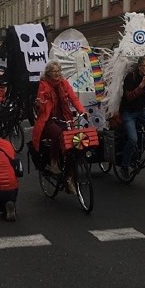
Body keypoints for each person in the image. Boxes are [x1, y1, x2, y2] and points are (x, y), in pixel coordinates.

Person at [32, 60, 85, 194]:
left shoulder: (64, 83)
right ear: (48, 73)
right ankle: (54, 162)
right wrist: (39, 104)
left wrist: (82, 111)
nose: (57, 74)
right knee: (58, 134)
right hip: (49, 119)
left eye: (58, 71)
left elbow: (73, 98)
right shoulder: (43, 85)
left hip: (65, 118)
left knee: (74, 144)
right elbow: (41, 103)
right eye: (54, 72)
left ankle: (69, 178)